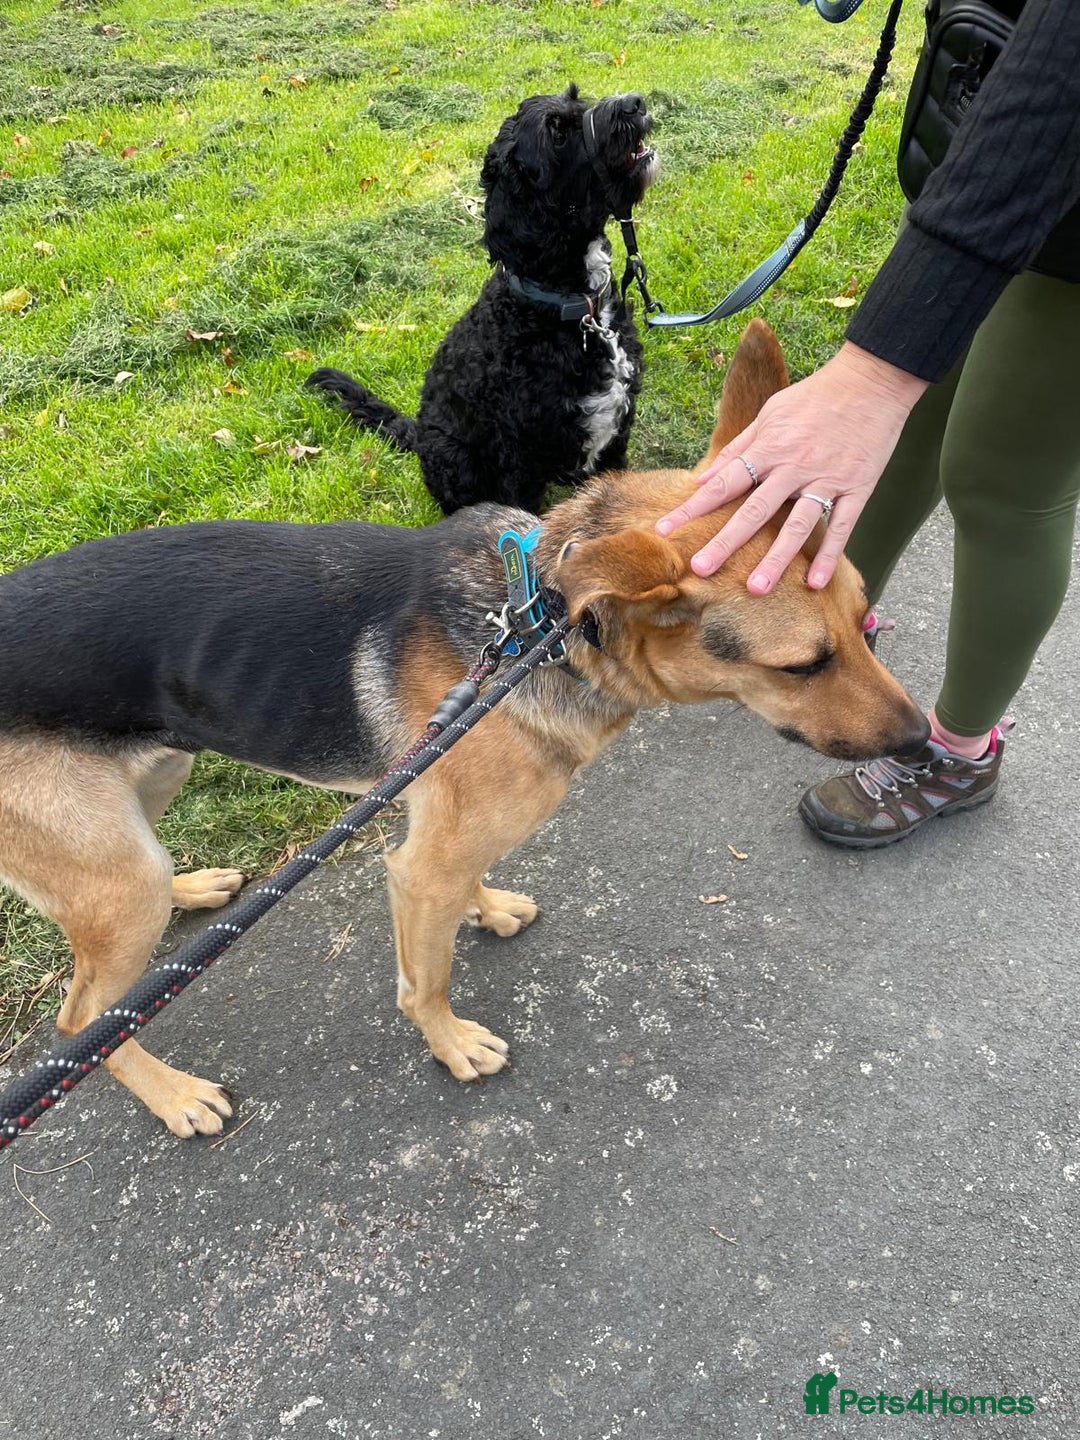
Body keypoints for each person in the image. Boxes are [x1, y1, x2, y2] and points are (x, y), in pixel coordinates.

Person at [656, 0, 1080, 847]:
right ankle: (835, 626)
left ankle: (958, 754)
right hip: (992, 109)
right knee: (903, 427)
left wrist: (874, 373)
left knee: (1002, 481)